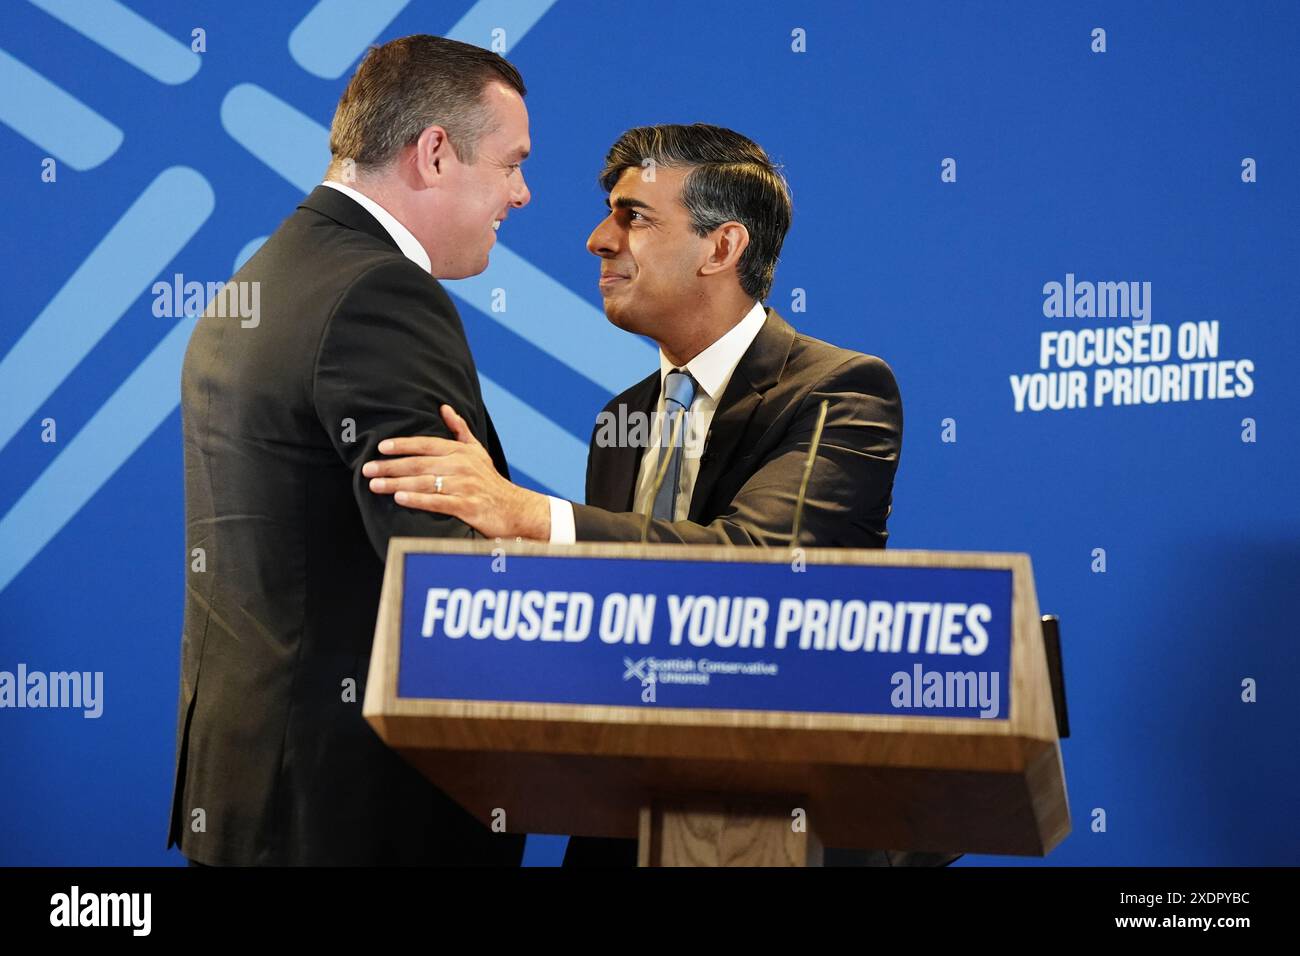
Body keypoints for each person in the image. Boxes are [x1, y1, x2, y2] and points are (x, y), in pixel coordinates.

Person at [364, 124, 957, 866]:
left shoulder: (839, 391)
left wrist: (530, 515)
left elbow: (765, 568)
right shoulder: (623, 418)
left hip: (779, 831)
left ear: (722, 248)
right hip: (623, 834)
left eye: (632, 217)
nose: (596, 240)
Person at [169, 35, 539, 866]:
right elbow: (450, 570)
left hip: (254, 797)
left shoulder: (264, 275)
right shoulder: (380, 292)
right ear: (436, 152)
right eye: (511, 163)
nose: (522, 193)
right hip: (359, 817)